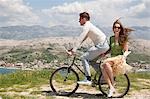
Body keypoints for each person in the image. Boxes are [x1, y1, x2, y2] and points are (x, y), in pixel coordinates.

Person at [67, 12, 109, 85]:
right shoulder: (89, 26)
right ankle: (103, 76)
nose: (79, 21)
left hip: (101, 45)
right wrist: (74, 48)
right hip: (104, 45)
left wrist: (73, 50)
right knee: (92, 61)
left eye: (80, 19)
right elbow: (82, 39)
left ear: (84, 19)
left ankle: (88, 78)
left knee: (84, 58)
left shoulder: (87, 26)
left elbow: (80, 38)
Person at [101, 19, 134, 97]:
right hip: (112, 58)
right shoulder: (111, 38)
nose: (116, 29)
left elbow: (126, 50)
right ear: (113, 28)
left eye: (118, 28)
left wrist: (124, 56)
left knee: (105, 64)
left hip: (119, 58)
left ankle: (112, 84)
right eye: (115, 27)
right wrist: (105, 53)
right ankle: (111, 87)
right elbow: (110, 49)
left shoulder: (123, 38)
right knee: (103, 67)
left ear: (120, 29)